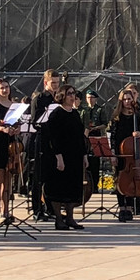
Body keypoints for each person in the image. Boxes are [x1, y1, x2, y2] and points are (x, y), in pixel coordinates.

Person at [43, 85, 87, 230]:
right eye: (69, 94)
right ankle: (58, 219)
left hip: (75, 155)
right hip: (60, 156)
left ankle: (70, 217)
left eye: (73, 94)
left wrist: (84, 155)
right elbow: (53, 138)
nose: (72, 96)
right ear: (62, 96)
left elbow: (80, 136)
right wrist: (59, 157)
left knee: (72, 187)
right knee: (58, 188)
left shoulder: (74, 113)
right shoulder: (57, 113)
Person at [108, 87, 140, 221]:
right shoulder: (117, 115)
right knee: (120, 178)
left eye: (129, 99)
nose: (127, 101)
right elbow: (113, 136)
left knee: (133, 177)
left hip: (135, 152)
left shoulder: (138, 114)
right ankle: (123, 208)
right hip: (121, 153)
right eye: (125, 99)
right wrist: (113, 153)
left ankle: (132, 206)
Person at [28, 70, 62, 222]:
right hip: (42, 141)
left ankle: (52, 208)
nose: (56, 85)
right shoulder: (40, 99)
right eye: (53, 82)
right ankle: (37, 209)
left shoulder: (60, 98)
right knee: (39, 177)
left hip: (56, 141)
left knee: (53, 178)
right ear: (45, 83)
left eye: (57, 82)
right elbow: (35, 121)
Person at [0, 79, 20, 223]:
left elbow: (18, 122)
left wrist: (17, 129)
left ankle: (6, 210)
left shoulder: (14, 105)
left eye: (7, 87)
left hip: (10, 143)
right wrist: (1, 129)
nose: (5, 90)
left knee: (8, 178)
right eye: (2, 88)